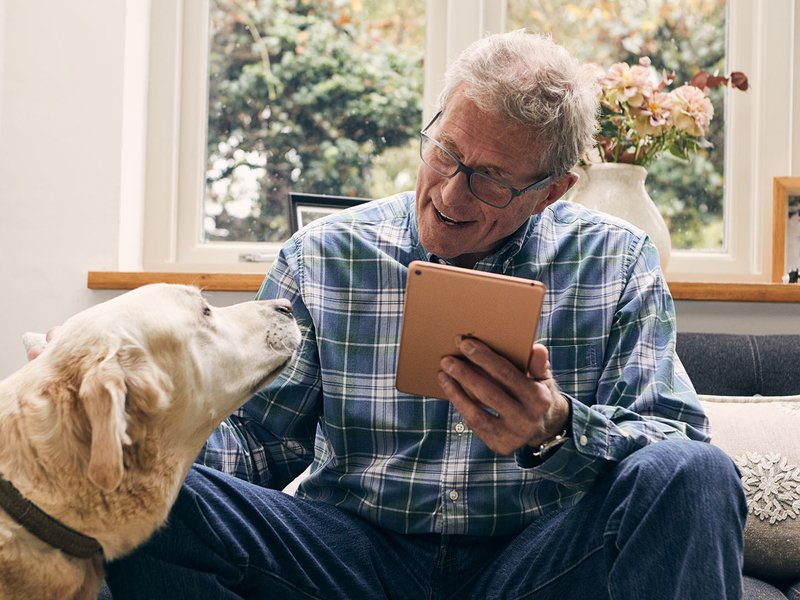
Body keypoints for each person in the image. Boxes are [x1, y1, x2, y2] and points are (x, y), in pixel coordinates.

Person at [105, 30, 746, 599]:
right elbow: (261, 444)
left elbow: (676, 444)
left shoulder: (618, 260)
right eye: (445, 152)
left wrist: (555, 429)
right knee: (152, 496)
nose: (447, 194)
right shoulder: (326, 254)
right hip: (352, 556)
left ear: (552, 190)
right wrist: (137, 425)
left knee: (697, 473)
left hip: (533, 562)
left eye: (491, 179)